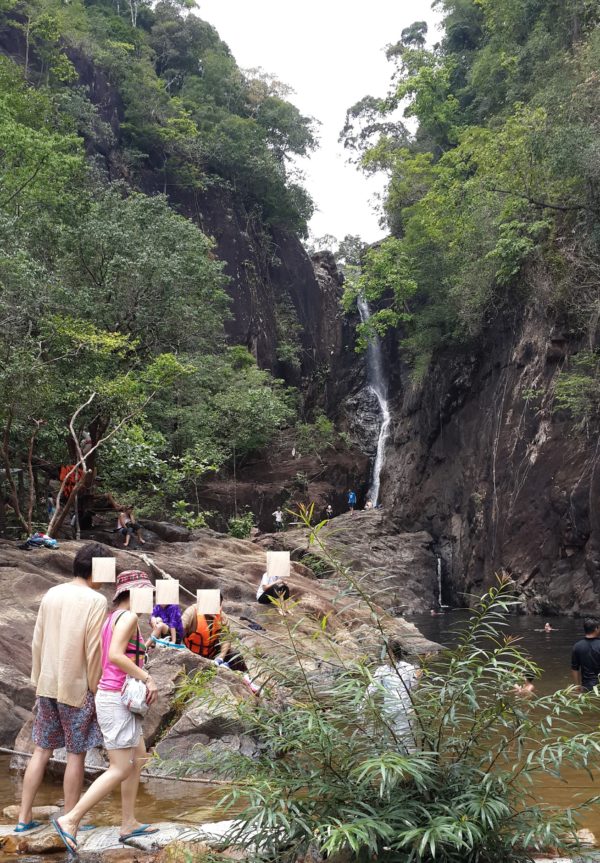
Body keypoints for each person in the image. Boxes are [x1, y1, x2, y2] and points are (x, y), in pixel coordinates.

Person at [52, 570, 159, 853]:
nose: (151, 597)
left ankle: (128, 822)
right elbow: (114, 655)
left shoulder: (114, 617)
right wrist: (148, 678)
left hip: (113, 695)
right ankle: (70, 819)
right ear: (133, 593)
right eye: (147, 592)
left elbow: (117, 654)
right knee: (121, 767)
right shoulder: (130, 617)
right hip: (116, 698)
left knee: (139, 757)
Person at [15, 543, 113, 834]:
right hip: (77, 687)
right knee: (75, 754)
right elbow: (93, 650)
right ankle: (69, 818)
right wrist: (96, 688)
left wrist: (38, 679)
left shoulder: (52, 593)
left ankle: (22, 819)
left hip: (48, 684)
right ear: (96, 570)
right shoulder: (95, 601)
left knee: (41, 750)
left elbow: (37, 640)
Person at [366, 640, 419, 751]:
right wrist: (362, 703)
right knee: (391, 742)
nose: (384, 656)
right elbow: (372, 688)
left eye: (387, 653)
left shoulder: (408, 668)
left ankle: (409, 764)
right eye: (383, 653)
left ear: (395, 653)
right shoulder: (382, 670)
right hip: (389, 712)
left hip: (405, 712)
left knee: (407, 742)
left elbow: (412, 688)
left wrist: (417, 678)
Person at [182, 594, 247, 672]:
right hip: (190, 653)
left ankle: (247, 680)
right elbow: (179, 630)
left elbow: (226, 639)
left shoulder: (222, 617)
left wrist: (221, 657)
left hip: (211, 655)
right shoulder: (192, 612)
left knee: (235, 654)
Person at [571, 618, 600, 692]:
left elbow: (574, 668)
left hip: (586, 686)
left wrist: (577, 686)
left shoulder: (577, 646)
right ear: (596, 628)